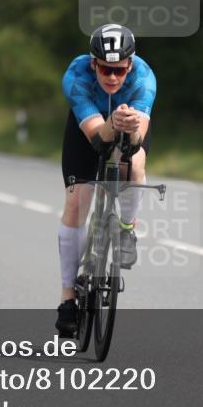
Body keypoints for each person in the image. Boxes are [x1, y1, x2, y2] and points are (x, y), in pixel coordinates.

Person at [55, 24, 156, 337]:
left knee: (134, 166)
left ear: (130, 65)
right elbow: (97, 140)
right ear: (93, 63)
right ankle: (67, 297)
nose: (112, 77)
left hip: (127, 128)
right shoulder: (77, 76)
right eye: (105, 69)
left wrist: (130, 128)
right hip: (89, 132)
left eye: (119, 70)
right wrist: (112, 124)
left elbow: (136, 141)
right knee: (76, 203)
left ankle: (127, 229)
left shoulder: (144, 78)